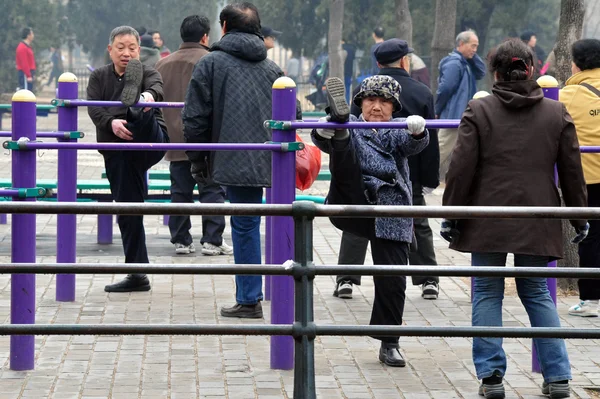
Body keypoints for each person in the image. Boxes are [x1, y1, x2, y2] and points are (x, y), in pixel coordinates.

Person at [442, 38, 588, 399]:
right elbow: (572, 170)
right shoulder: (556, 114)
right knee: (538, 294)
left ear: (495, 72)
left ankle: (491, 377)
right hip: (538, 214)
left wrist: (450, 214)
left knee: (487, 294)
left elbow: (460, 169)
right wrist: (579, 214)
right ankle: (558, 378)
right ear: (533, 68)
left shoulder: (480, 111)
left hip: (487, 215)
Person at [312, 75, 429, 367]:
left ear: (394, 107)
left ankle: (389, 341)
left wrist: (417, 132)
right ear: (360, 103)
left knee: (393, 278)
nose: (376, 107)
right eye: (370, 100)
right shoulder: (353, 125)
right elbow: (317, 140)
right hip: (354, 198)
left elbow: (413, 144)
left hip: (389, 206)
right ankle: (335, 126)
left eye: (384, 102)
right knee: (342, 140)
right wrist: (325, 131)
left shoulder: (395, 131)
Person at [182, 2, 283, 319]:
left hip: (233, 155)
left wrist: (198, 160)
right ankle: (278, 294)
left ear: (223, 26)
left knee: (244, 225)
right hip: (274, 157)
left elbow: (195, 118)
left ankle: (250, 298)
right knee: (276, 222)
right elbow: (290, 117)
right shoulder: (274, 71)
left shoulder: (212, 64)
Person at [335, 39, 440, 300]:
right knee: (418, 223)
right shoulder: (421, 91)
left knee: (356, 224)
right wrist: (430, 177)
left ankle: (346, 278)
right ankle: (428, 279)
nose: (377, 105)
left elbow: (352, 130)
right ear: (404, 61)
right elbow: (431, 138)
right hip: (408, 176)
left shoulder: (363, 88)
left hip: (365, 173)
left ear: (379, 63)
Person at [87, 25, 169, 292]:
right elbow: (93, 109)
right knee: (127, 208)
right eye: (120, 48)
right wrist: (111, 124)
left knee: (142, 112)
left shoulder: (148, 71)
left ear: (139, 50)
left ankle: (135, 105)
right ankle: (137, 273)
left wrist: (145, 97)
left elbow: (157, 88)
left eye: (132, 48)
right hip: (118, 149)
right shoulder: (98, 77)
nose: (126, 53)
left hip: (149, 141)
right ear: (110, 50)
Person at [155, 16, 233, 257]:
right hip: (206, 140)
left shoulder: (162, 65)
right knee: (211, 190)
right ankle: (212, 240)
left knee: (180, 191)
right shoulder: (212, 61)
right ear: (204, 37)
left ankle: (181, 239)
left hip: (174, 140)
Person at [559, 38, 600, 318]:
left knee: (592, 237)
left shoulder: (566, 96)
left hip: (589, 177)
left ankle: (592, 301)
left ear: (576, 64)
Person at [435, 30, 486, 182]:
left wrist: (472, 55)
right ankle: (420, 177)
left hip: (462, 115)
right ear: (461, 44)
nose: (475, 50)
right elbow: (445, 89)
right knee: (441, 149)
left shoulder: (465, 62)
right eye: (472, 46)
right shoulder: (454, 63)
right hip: (453, 116)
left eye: (477, 46)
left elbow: (481, 72)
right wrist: (437, 110)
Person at [16, 27, 36, 92]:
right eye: (32, 34)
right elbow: (24, 63)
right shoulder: (22, 47)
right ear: (28, 35)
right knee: (25, 93)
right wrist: (28, 75)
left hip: (30, 72)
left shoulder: (28, 47)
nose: (33, 36)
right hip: (25, 74)